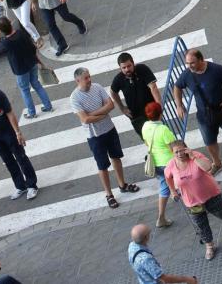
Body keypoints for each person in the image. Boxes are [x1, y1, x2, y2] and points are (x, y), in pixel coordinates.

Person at [70, 67, 139, 208]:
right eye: (86, 78)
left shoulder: (97, 87)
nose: (89, 80)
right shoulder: (75, 97)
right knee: (102, 166)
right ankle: (109, 194)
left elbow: (111, 105)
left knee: (116, 157)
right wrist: (102, 114)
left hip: (109, 129)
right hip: (94, 136)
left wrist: (93, 114)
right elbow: (85, 120)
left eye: (89, 76)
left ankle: (122, 184)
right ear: (77, 81)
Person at [164, 139, 222, 261]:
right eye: (176, 152)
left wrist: (193, 157)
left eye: (181, 150)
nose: (179, 154)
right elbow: (168, 177)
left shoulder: (196, 156)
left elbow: (207, 167)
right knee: (201, 225)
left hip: (211, 195)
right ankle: (209, 246)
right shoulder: (171, 165)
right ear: (172, 153)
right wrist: (173, 191)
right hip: (192, 202)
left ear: (186, 149)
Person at [0, 85, 38, 199]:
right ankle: (20, 186)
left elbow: (10, 113)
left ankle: (31, 185)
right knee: (8, 161)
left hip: (8, 132)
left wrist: (18, 133)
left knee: (21, 157)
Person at [0, 17, 52, 119]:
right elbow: (32, 47)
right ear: (10, 24)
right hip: (32, 63)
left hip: (20, 70)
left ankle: (32, 112)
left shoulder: (5, 43)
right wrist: (39, 61)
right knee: (37, 85)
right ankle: (48, 106)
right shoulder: (21, 33)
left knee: (25, 91)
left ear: (2, 30)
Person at [139, 103, 176, 229]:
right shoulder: (163, 130)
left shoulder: (145, 126)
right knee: (180, 182)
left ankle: (161, 217)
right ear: (161, 114)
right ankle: (161, 217)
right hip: (168, 163)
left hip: (156, 164)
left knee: (164, 186)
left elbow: (146, 142)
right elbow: (173, 148)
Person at [110, 52, 160, 137]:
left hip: (151, 110)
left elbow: (153, 88)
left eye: (129, 66)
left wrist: (159, 107)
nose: (127, 69)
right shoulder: (119, 79)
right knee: (147, 140)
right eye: (124, 67)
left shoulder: (142, 69)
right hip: (136, 116)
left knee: (160, 135)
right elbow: (113, 92)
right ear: (120, 68)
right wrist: (122, 108)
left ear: (133, 63)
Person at [128, 222, 197, 284]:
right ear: (146, 237)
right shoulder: (146, 259)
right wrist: (187, 279)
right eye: (149, 233)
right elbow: (164, 279)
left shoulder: (132, 246)